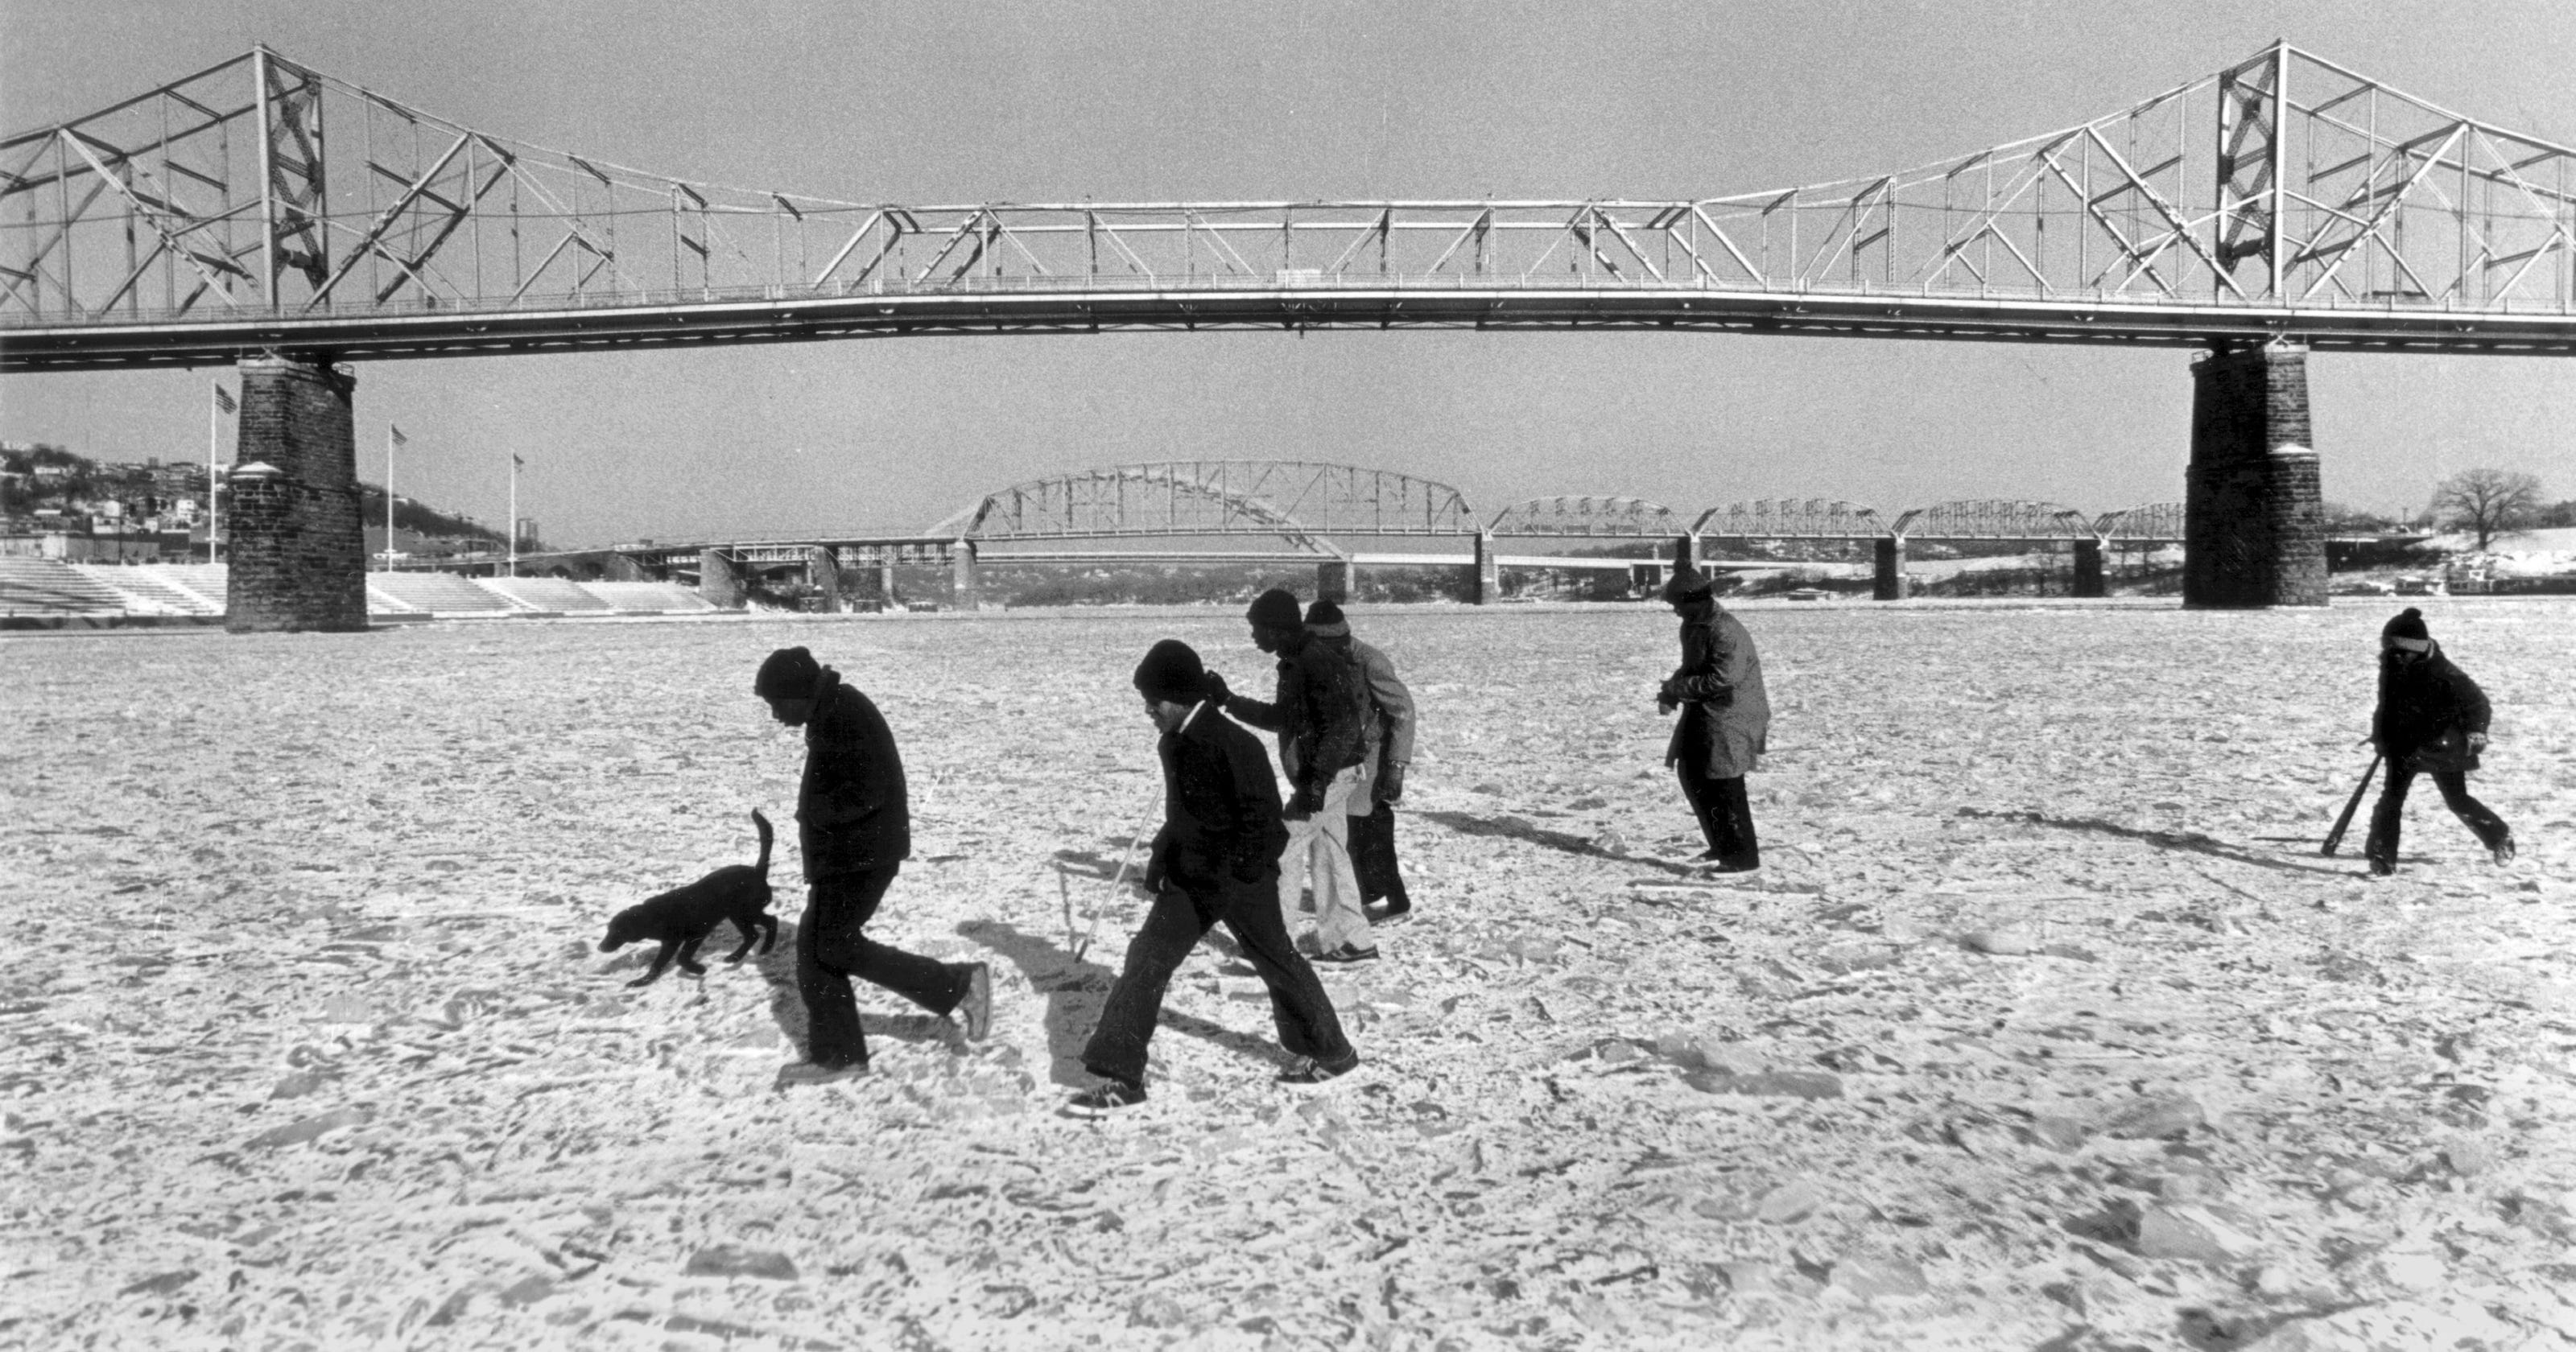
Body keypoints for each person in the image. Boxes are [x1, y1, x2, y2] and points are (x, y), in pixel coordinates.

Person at [1068, 640, 1361, 1115]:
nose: (1148, 710)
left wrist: (1241, 872)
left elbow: (1264, 819)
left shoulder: (1233, 744)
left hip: (1239, 879)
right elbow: (1182, 814)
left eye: (1154, 699)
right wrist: (1163, 859)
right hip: (1193, 880)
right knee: (1146, 959)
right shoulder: (1175, 741)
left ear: (1181, 695)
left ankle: (1333, 1052)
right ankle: (1121, 1076)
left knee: (1277, 960)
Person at [754, 646, 991, 1086]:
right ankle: (841, 1057)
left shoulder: (844, 714)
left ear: (797, 694)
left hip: (860, 856)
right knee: (818, 949)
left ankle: (959, 984)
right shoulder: (833, 709)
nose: (773, 715)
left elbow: (871, 790)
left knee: (832, 947)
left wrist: (818, 815)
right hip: (850, 855)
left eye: (774, 704)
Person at [1205, 588, 1378, 963]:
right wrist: (1228, 701)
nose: (1253, 636)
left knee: (1280, 850)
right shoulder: (1298, 660)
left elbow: (1344, 725)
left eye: (1256, 628)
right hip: (1332, 775)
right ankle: (1352, 941)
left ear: (1277, 629)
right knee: (1329, 853)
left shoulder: (1314, 661)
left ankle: (1274, 948)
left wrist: (1315, 783)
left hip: (1329, 776)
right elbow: (1283, 718)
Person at [2363, 608, 2514, 876]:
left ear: (2419, 649)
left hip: (2443, 745)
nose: (2395, 655)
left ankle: (2498, 836)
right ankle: (2382, 856)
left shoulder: (2445, 673)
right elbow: (2386, 705)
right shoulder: (2391, 666)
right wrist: (2380, 734)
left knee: (2457, 800)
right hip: (2405, 744)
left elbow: (2478, 703)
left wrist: (2476, 730)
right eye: (2390, 649)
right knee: (2391, 798)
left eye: (2401, 651)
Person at [1309, 600, 1418, 922]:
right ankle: (1369, 896)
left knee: (1368, 829)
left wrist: (1396, 768)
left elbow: (1403, 712)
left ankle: (1386, 900)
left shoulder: (1370, 661)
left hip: (1370, 761)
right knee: (1350, 830)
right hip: (1339, 758)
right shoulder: (1316, 659)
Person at [1659, 571, 1770, 871]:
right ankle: (1722, 844)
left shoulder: (1724, 629)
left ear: (1695, 600)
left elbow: (1723, 679)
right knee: (1693, 775)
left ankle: (1742, 859)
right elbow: (1692, 667)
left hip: (1733, 715)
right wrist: (1671, 690)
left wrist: (1678, 689)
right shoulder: (1693, 625)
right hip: (1707, 712)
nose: (1675, 610)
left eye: (1678, 604)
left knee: (1723, 783)